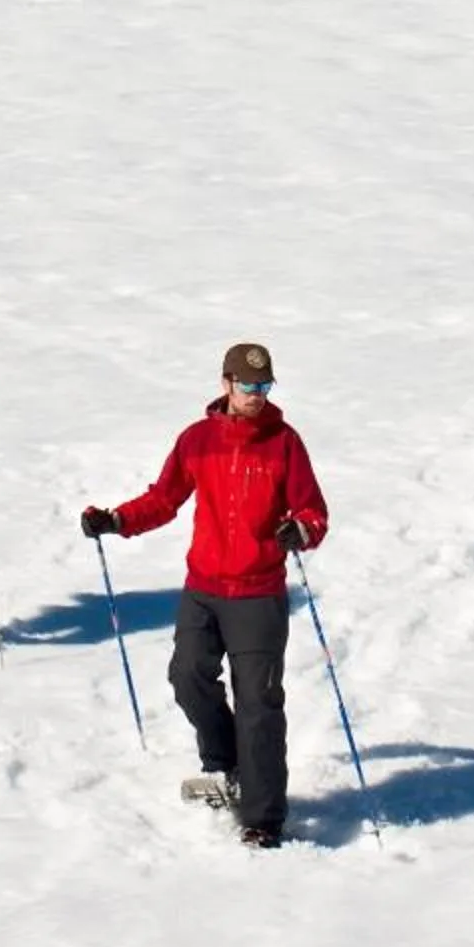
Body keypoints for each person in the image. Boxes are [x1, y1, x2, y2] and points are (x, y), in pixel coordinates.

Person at [81, 343, 328, 847]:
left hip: (258, 592)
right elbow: (165, 498)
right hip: (204, 588)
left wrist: (300, 531)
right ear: (226, 384)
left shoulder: (284, 443)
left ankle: (263, 818)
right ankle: (225, 765)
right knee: (188, 675)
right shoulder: (198, 440)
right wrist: (117, 520)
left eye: (264, 387)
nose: (256, 396)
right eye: (247, 386)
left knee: (258, 702)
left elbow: (313, 510)